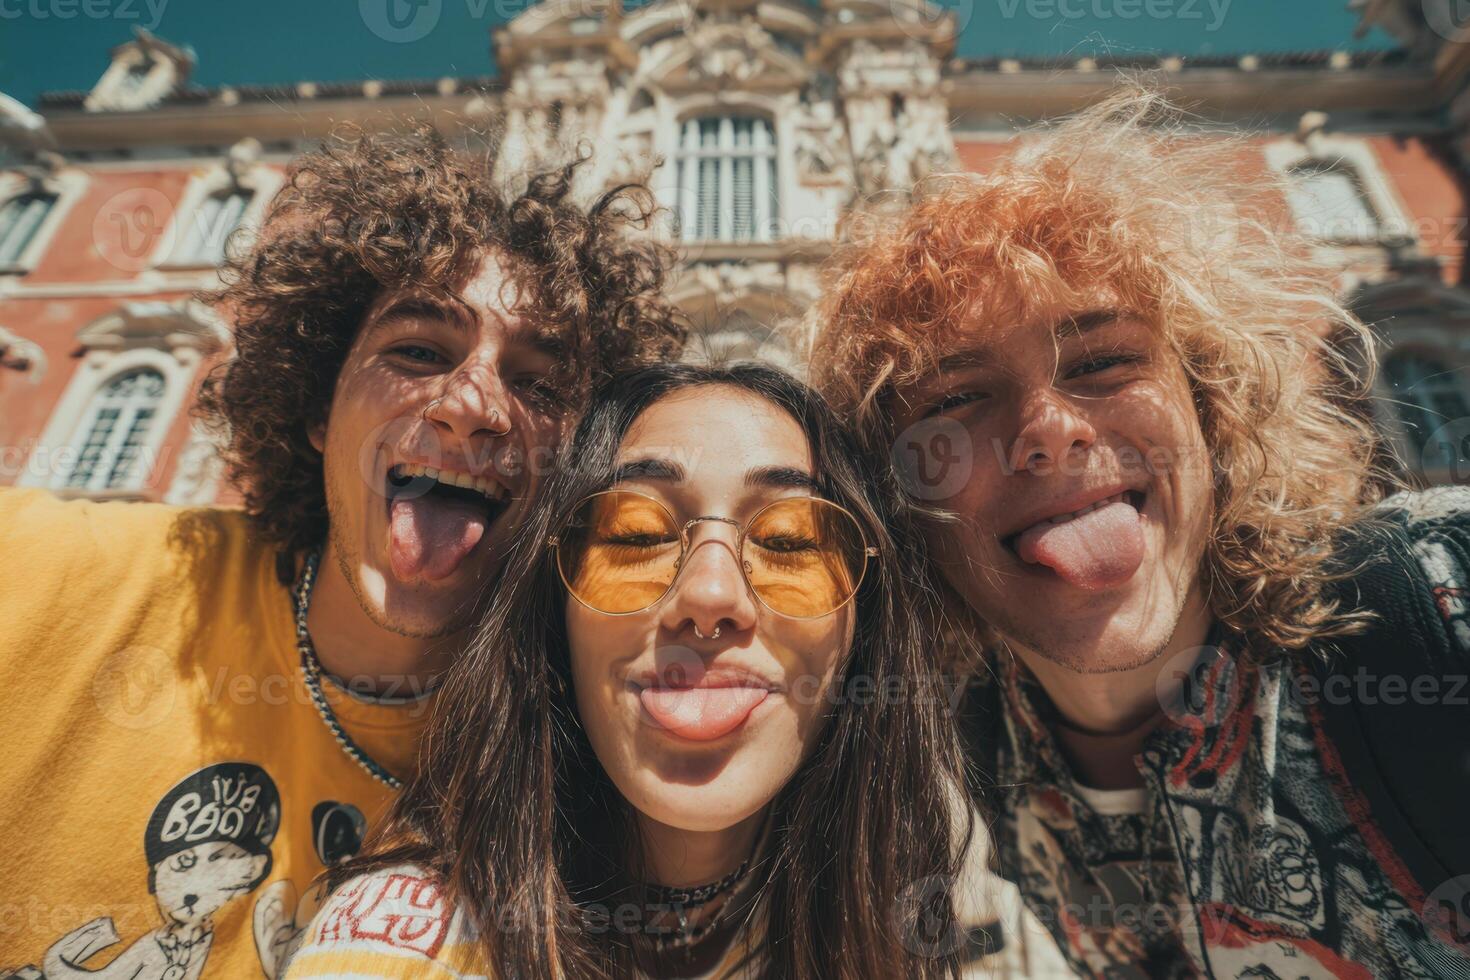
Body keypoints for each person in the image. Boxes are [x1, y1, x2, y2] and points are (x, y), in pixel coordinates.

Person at [810, 89, 1470, 977]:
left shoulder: (1436, 600)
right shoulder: (976, 749)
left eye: (1104, 361)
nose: (1048, 427)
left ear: (1211, 403)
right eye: (957, 398)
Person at [0, 129, 685, 980]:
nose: (473, 405)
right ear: (319, 407)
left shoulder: (607, 758)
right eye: (420, 351)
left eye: (537, 383)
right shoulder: (46, 574)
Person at [282, 362, 988, 979]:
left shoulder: (897, 911)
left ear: (867, 623)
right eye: (636, 535)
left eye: (790, 540)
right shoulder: (409, 933)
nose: (710, 596)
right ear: (550, 612)